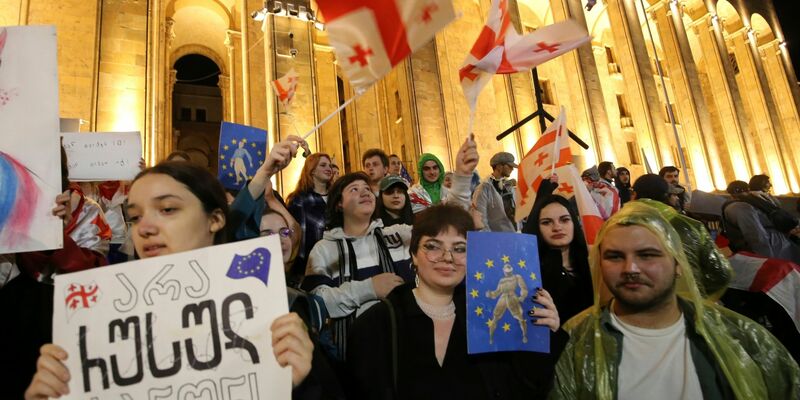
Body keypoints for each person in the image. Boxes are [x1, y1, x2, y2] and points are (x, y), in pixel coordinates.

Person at [24, 160, 318, 399]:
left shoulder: (277, 313)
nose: (145, 228)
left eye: (167, 209)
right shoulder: (96, 323)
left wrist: (295, 386)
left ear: (215, 219)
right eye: (136, 217)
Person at [549, 202, 800, 399]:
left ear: (678, 264)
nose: (631, 268)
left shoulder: (744, 338)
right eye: (614, 257)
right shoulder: (572, 341)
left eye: (648, 255)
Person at [347, 204, 565, 399]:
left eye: (460, 249)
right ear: (413, 254)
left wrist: (544, 336)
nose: (448, 257)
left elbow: (526, 388)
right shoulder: (375, 324)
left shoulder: (485, 319)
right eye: (433, 246)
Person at [303, 137, 479, 360]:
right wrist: (369, 289)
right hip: (355, 355)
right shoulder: (324, 250)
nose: (365, 192)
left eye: (367, 188)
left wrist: (462, 178)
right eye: (354, 189)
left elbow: (447, 227)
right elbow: (315, 304)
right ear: (339, 203)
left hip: (408, 350)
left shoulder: (399, 234)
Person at [631, 174, 732, 299]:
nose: (677, 199)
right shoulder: (690, 226)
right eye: (673, 195)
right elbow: (721, 273)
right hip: (690, 307)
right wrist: (700, 293)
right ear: (665, 197)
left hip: (644, 305)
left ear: (635, 195)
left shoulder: (620, 226)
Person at [522, 175, 593, 324]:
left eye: (564, 219)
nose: (557, 227)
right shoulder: (530, 274)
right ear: (538, 228)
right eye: (547, 222)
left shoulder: (593, 265)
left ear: (574, 222)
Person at [723, 180, 800, 263]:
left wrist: (767, 260)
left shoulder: (739, 207)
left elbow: (755, 235)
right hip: (781, 244)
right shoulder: (757, 201)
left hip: (773, 248)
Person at [286, 153, 334, 283]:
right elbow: (296, 236)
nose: (329, 168)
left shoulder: (338, 197)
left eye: (330, 165)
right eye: (323, 165)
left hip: (337, 261)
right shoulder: (299, 199)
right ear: (312, 170)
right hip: (311, 265)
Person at [472, 151, 517, 232]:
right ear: (499, 166)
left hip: (514, 235)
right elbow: (481, 219)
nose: (512, 169)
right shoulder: (483, 188)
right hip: (496, 238)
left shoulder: (509, 186)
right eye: (509, 166)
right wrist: (490, 240)